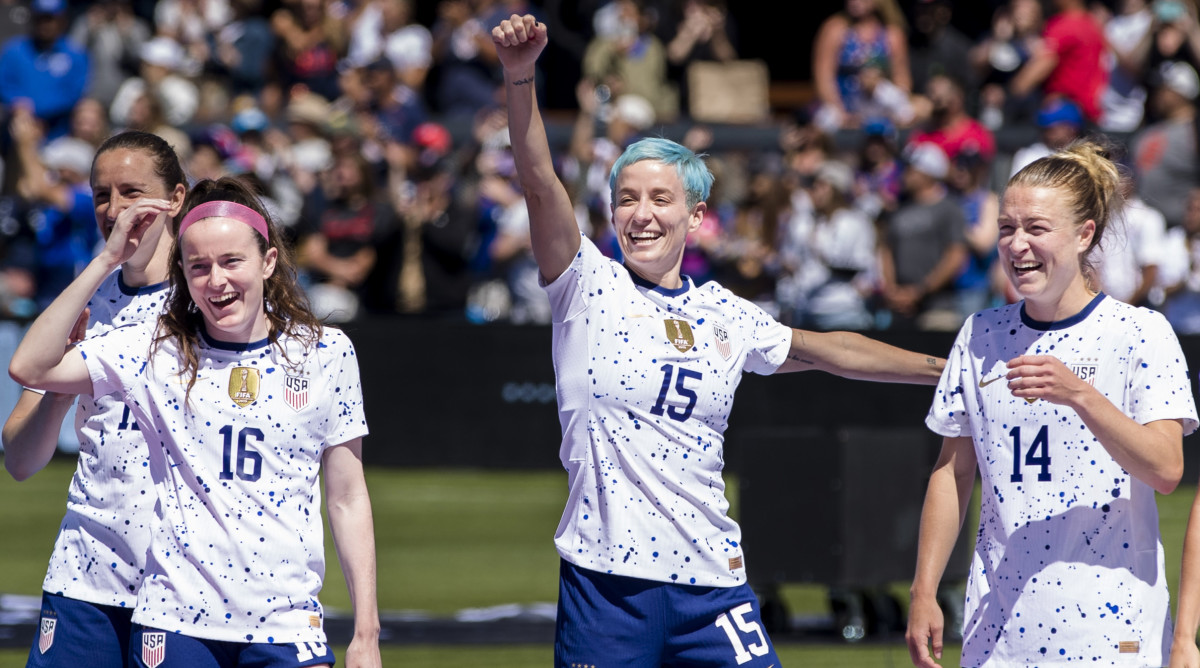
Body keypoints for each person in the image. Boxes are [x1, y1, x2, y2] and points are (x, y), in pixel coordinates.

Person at [492, 14, 947, 667]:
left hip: (713, 584)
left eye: (659, 198)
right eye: (627, 198)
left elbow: (831, 349)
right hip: (606, 586)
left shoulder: (725, 313)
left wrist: (945, 366)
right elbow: (538, 178)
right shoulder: (585, 282)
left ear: (696, 216)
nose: (641, 213)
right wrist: (520, 76)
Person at [8, 175, 381, 668]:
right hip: (175, 624)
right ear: (182, 273)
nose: (217, 280)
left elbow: (348, 495)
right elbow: (29, 367)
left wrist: (365, 634)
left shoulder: (327, 352)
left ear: (268, 262)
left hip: (288, 623)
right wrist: (106, 261)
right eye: (199, 266)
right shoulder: (152, 347)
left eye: (232, 262)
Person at [905, 139, 1197, 668]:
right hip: (997, 633)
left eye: (1036, 229)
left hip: (1109, 634)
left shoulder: (1139, 333)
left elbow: (1166, 468)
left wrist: (1080, 395)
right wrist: (924, 590)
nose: (1017, 245)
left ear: (1085, 235)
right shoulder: (980, 334)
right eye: (1007, 229)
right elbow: (952, 473)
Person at [2, 129, 184, 668]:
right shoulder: (82, 301)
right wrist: (61, 389)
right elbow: (19, 459)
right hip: (85, 576)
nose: (116, 208)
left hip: (184, 582)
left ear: (176, 198)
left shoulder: (209, 300)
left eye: (132, 192)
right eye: (102, 194)